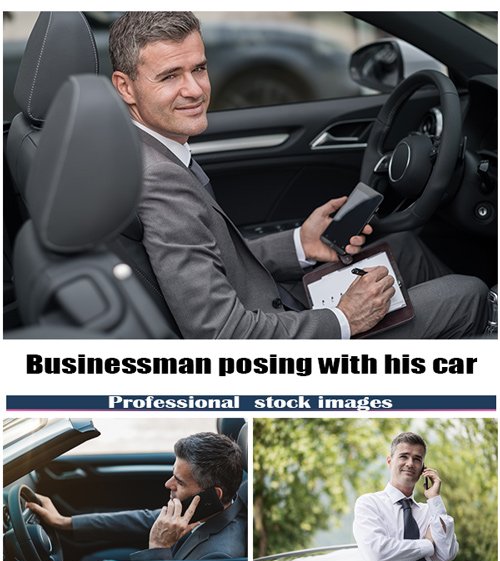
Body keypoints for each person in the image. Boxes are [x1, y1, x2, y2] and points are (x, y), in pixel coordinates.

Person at [108, 12, 488, 341]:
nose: (194, 90)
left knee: (405, 248)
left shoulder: (147, 149)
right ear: (125, 86)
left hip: (273, 305)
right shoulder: (160, 179)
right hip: (276, 341)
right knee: (468, 293)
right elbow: (222, 335)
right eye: (170, 76)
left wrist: (301, 245)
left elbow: (212, 261)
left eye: (199, 69)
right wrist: (344, 318)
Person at [25, 432, 247, 561]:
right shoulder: (211, 510)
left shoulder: (218, 555)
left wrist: (157, 547)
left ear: (212, 494)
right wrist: (65, 522)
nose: (167, 484)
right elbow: (144, 519)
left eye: (179, 482)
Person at [353, 432, 459, 561]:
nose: (410, 463)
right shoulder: (369, 503)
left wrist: (435, 499)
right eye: (404, 456)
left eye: (417, 459)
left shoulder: (430, 510)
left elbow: (447, 554)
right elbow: (377, 552)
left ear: (423, 469)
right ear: (389, 462)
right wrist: (428, 544)